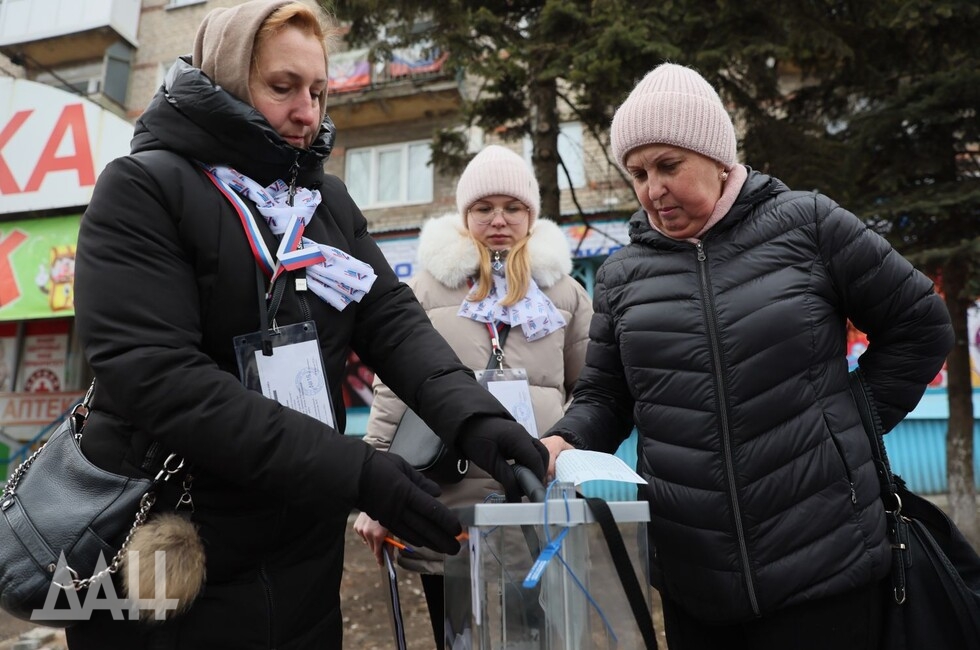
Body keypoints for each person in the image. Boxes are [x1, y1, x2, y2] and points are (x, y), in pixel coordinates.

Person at [66, 1, 547, 648]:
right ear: (227, 79)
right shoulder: (143, 190)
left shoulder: (325, 203)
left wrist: (476, 420)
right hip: (168, 553)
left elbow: (392, 322)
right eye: (283, 87)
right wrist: (358, 473)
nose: (308, 113)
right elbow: (157, 379)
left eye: (319, 91)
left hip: (301, 557)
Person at [540, 63, 953, 650]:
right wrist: (563, 442)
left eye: (668, 165)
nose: (652, 188)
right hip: (695, 581)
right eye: (637, 172)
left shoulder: (807, 224)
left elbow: (919, 325)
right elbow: (606, 396)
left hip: (826, 563)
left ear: (716, 157)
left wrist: (848, 428)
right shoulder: (621, 276)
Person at [353, 144, 593, 647]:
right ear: (465, 215)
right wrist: (374, 491)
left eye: (513, 207)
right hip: (449, 497)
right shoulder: (425, 288)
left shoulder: (566, 293)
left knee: (536, 634)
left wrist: (570, 459)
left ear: (531, 214)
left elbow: (589, 391)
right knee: (457, 634)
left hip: (534, 493)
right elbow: (393, 392)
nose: (498, 220)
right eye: (484, 208)